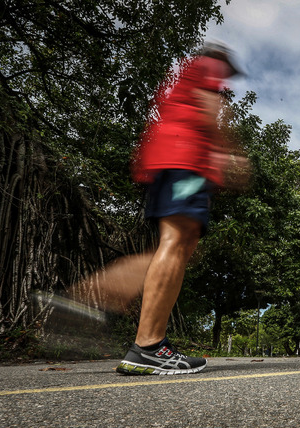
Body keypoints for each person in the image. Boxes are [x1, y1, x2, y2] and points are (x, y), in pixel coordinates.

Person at [62, 40, 249, 375]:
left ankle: (99, 292)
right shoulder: (208, 68)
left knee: (177, 243)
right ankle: (147, 345)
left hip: (168, 160)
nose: (228, 79)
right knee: (178, 242)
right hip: (187, 162)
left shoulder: (183, 74)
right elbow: (209, 113)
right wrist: (231, 151)